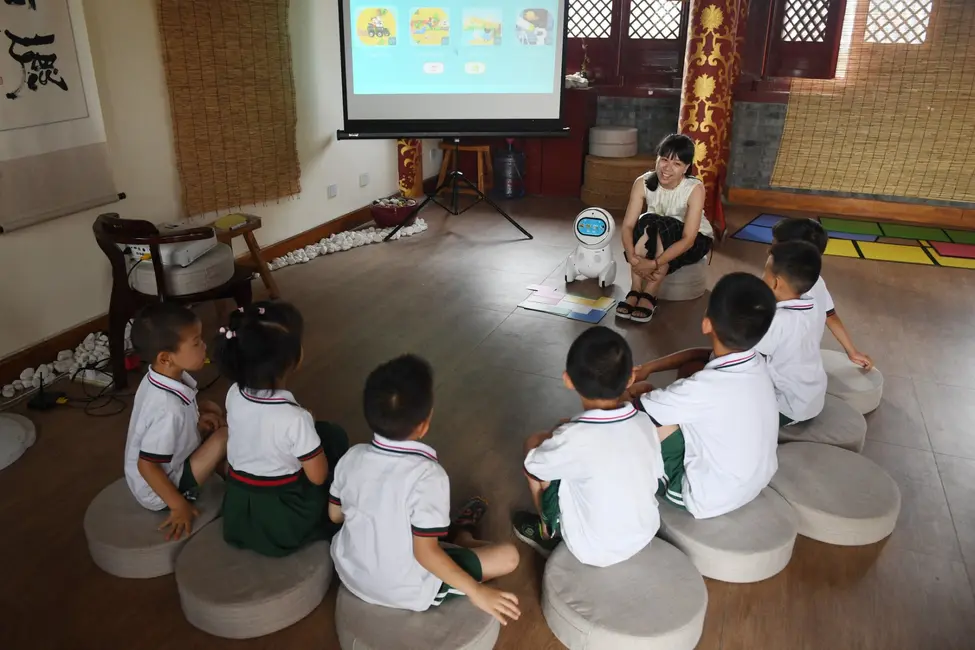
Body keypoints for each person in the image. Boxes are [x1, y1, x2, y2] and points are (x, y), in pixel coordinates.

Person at [328, 355, 521, 626]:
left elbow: (335, 516)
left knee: (423, 538)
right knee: (508, 556)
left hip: (350, 574)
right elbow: (425, 555)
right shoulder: (429, 476)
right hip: (409, 589)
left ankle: (451, 536)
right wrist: (477, 592)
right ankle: (461, 535)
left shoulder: (351, 456)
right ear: (424, 424)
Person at [511, 327, 664, 567]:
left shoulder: (573, 438)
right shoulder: (644, 422)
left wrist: (555, 436)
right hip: (645, 532)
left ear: (567, 380)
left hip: (593, 549)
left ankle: (547, 530)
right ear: (630, 379)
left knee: (533, 445)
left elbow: (534, 466)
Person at [629, 273, 779, 517]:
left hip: (704, 495)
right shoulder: (755, 362)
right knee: (689, 371)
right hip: (752, 479)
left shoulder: (703, 388)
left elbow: (636, 413)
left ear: (706, 323)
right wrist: (649, 368)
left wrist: (628, 391)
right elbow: (700, 355)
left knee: (637, 403)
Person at [213, 301, 349, 558]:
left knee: (321, 434)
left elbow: (259, 428)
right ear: (293, 358)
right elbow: (317, 477)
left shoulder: (234, 394)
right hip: (284, 519)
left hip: (240, 511)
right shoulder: (294, 419)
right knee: (334, 438)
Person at [123, 303, 228, 541]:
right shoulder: (168, 410)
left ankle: (219, 463)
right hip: (157, 491)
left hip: (164, 462)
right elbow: (147, 466)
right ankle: (228, 472)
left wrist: (197, 420)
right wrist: (178, 505)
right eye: (196, 342)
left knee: (210, 407)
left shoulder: (159, 375)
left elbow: (184, 410)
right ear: (166, 358)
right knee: (224, 436)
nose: (204, 346)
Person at [616, 133, 715, 324]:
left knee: (661, 224)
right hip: (657, 232)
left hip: (695, 240)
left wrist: (653, 264)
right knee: (647, 221)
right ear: (657, 159)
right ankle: (635, 289)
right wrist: (633, 258)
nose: (667, 168)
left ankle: (650, 295)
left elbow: (688, 239)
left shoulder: (694, 188)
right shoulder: (643, 182)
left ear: (686, 167)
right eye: (664, 160)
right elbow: (627, 226)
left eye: (677, 164)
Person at [771, 217, 874, 369]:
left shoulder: (779, 292)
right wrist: (853, 352)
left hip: (781, 373)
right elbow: (831, 316)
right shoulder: (816, 281)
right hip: (808, 368)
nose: (770, 246)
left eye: (774, 243)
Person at [755, 241, 829, 426]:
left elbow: (748, 360)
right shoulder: (811, 306)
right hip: (812, 397)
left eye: (765, 272)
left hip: (786, 407)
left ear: (776, 282)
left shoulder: (777, 320)